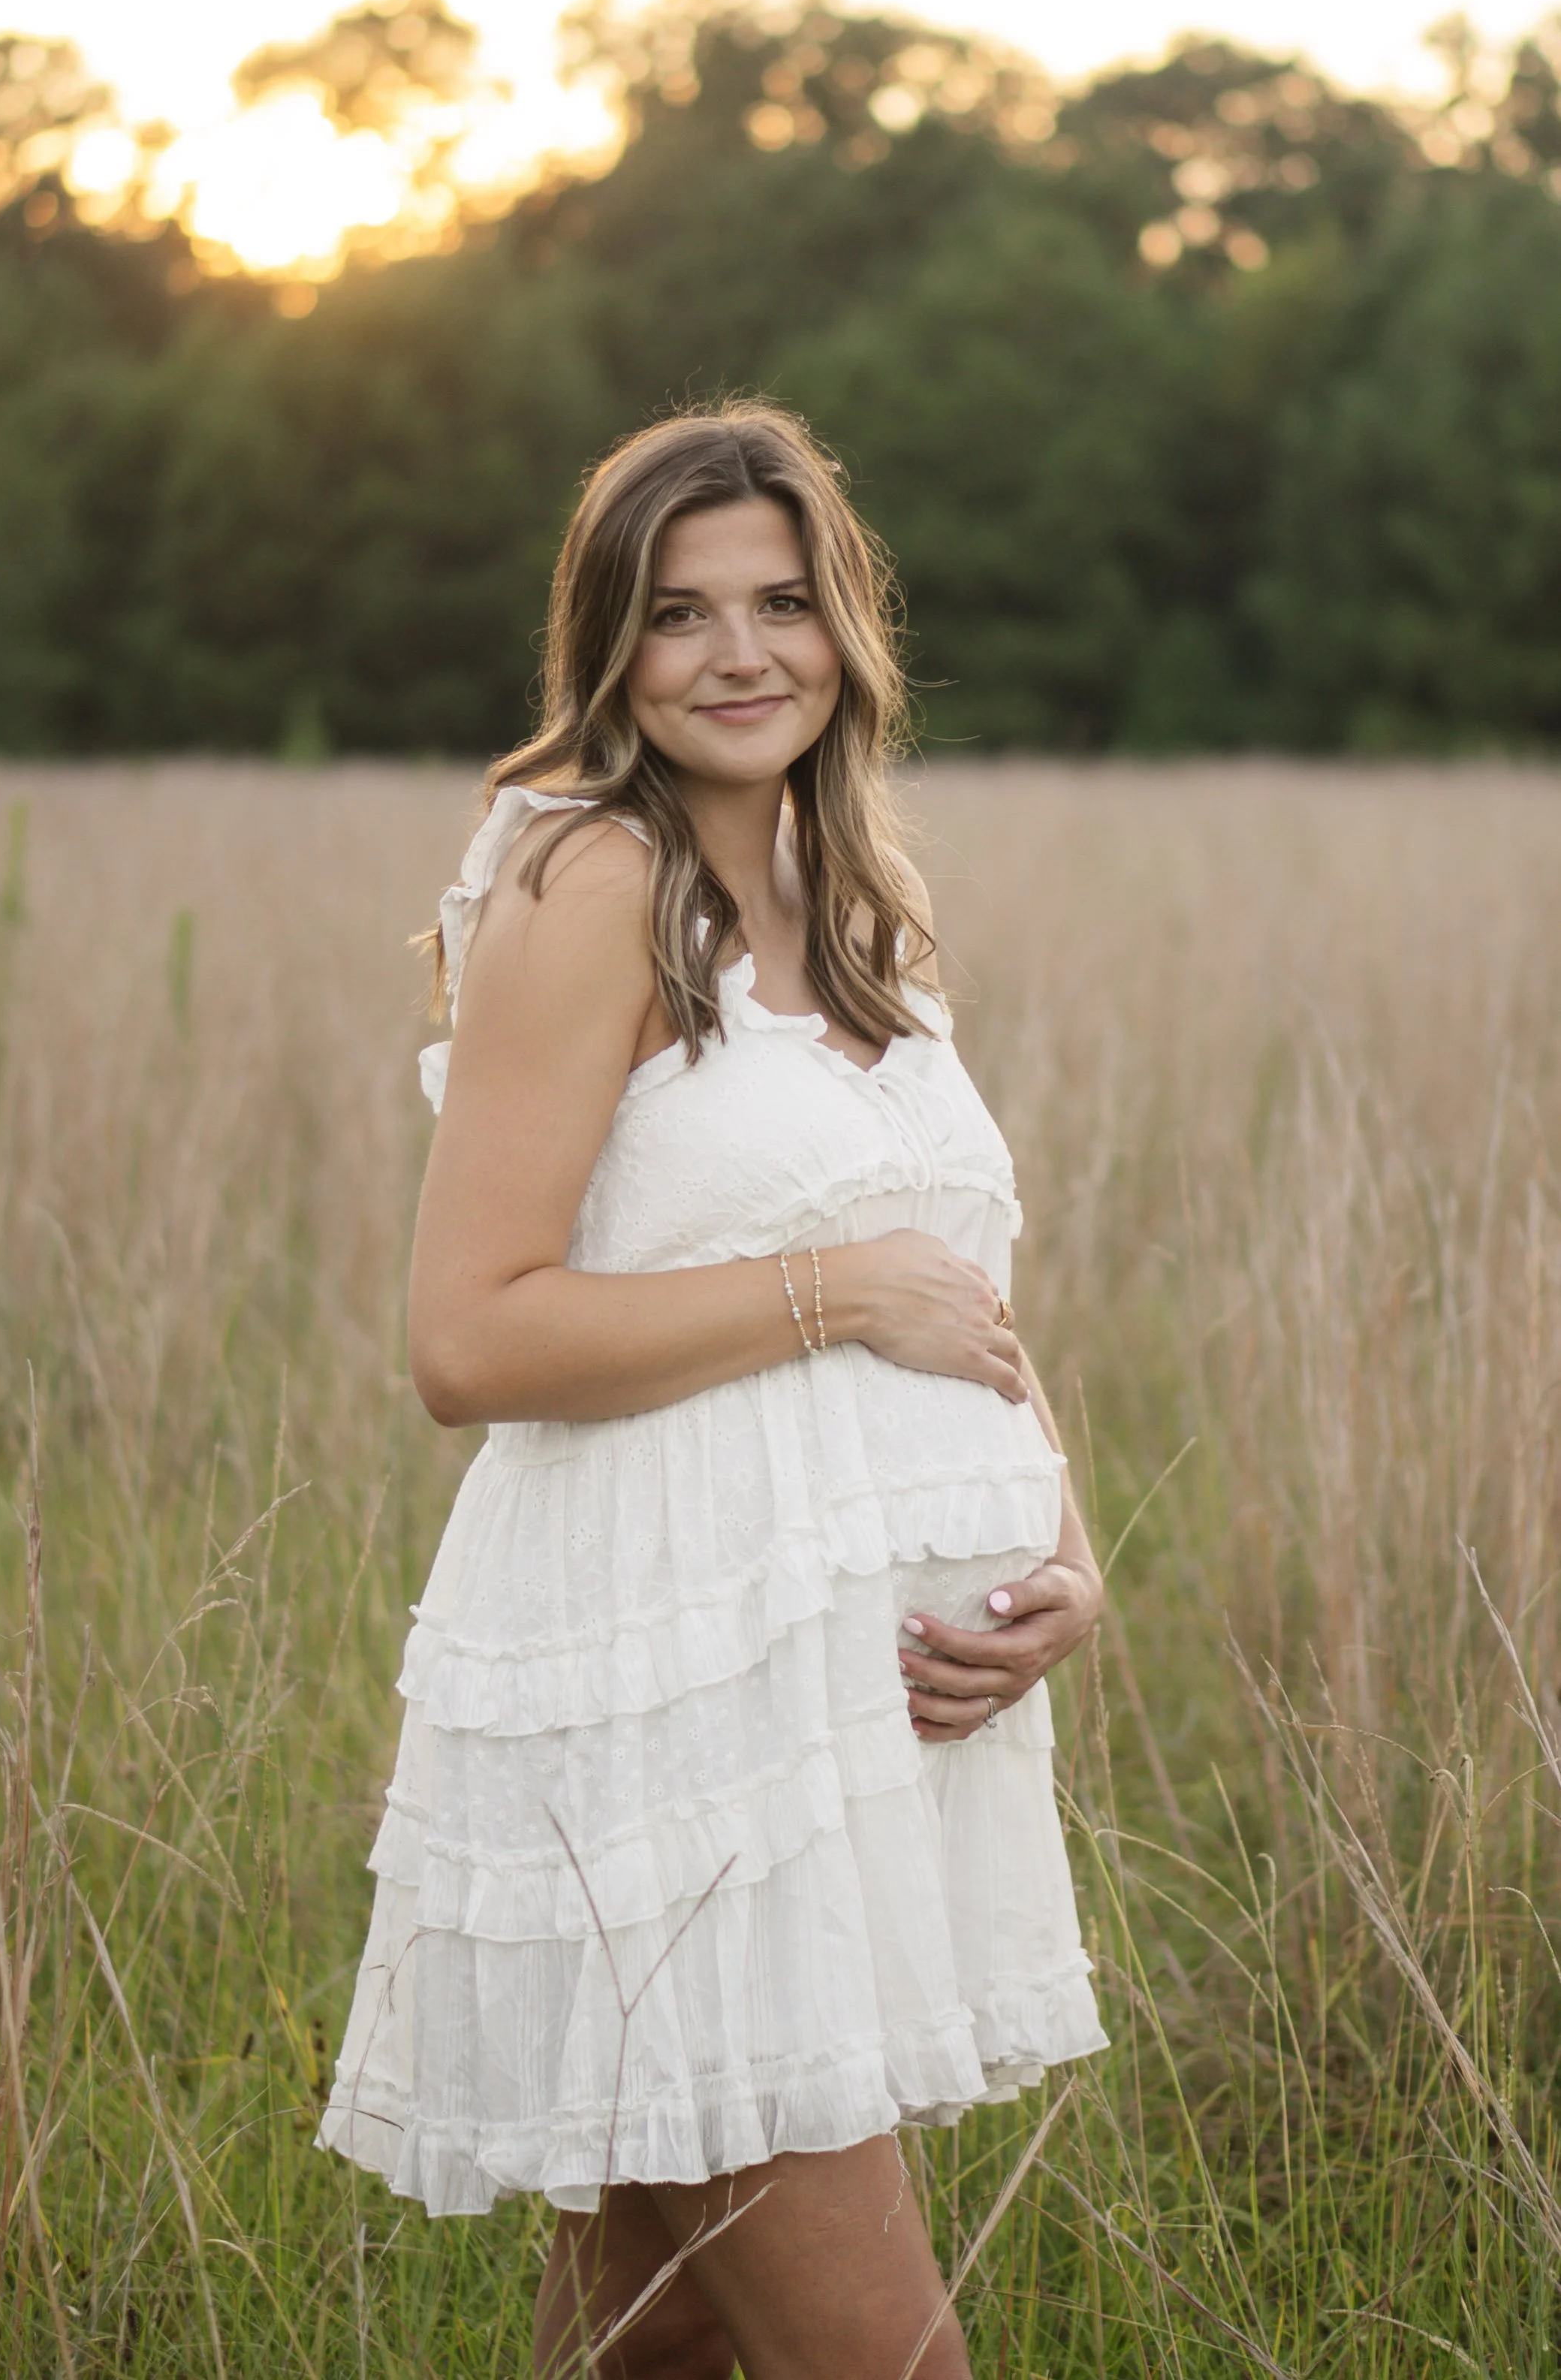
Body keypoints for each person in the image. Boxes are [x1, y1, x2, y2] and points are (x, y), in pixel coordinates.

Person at [318, 402, 1107, 2378]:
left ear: (846, 626)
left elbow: (967, 1299)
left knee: (649, 2346)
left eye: (779, 602)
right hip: (673, 1708)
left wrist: (1068, 1556)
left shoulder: (864, 914)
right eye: (678, 616)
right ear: (611, 649)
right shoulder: (592, 888)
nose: (739, 653)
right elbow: (467, 1337)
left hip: (852, 1702)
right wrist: (827, 1293)